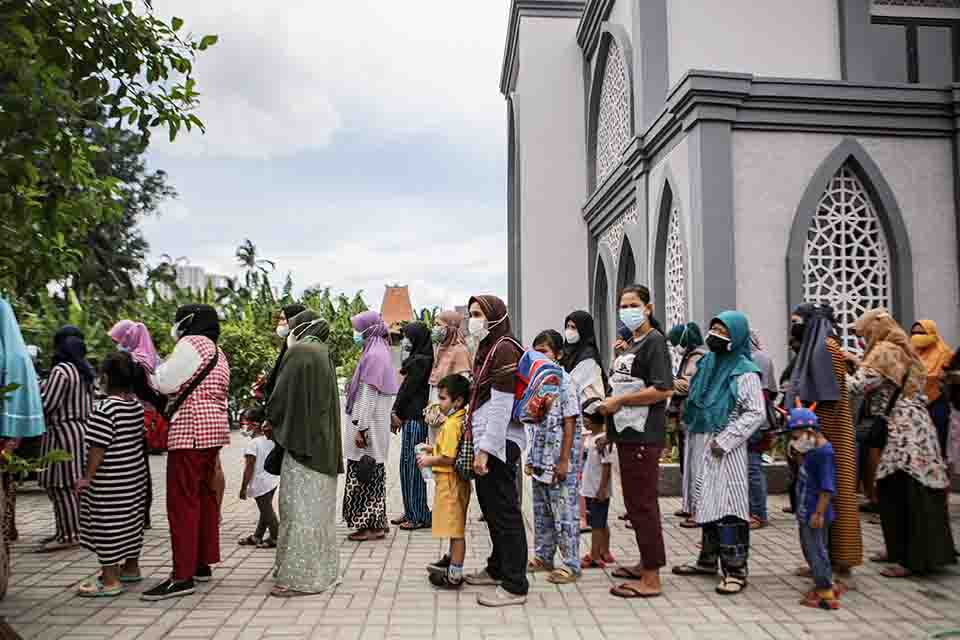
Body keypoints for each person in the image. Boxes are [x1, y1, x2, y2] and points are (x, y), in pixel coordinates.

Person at [847, 309, 955, 578]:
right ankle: (899, 550)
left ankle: (911, 559)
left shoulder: (884, 350)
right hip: (915, 427)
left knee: (906, 492)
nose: (863, 340)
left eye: (864, 334)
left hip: (905, 433)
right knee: (896, 489)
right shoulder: (897, 349)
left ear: (875, 330)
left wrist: (833, 371)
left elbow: (859, 385)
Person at [672, 311, 764, 596]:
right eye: (714, 329)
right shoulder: (707, 363)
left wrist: (725, 440)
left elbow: (756, 412)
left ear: (736, 336)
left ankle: (736, 570)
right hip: (701, 437)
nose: (716, 335)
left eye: (723, 331)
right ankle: (708, 560)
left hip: (726, 446)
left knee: (728, 506)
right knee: (706, 502)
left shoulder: (744, 371)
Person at [143, 304, 230, 601]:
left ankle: (181, 577)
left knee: (182, 503)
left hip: (190, 431)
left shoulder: (191, 343)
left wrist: (152, 373)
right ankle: (201, 563)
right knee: (203, 498)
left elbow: (165, 383)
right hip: (213, 430)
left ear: (189, 321)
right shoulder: (217, 351)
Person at [596, 285, 672, 599]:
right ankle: (645, 563)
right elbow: (625, 382)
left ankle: (651, 578)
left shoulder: (655, 341)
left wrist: (620, 402)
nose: (627, 310)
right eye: (623, 305)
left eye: (633, 304)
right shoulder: (632, 344)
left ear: (648, 308)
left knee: (643, 505)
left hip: (643, 435)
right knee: (634, 505)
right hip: (627, 434)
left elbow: (663, 389)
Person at [267, 310, 344, 597]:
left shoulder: (300, 351)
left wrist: (269, 419)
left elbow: (280, 398)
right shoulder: (321, 350)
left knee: (298, 511)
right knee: (317, 513)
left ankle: (298, 579)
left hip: (302, 447)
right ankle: (321, 572)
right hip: (322, 444)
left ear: (299, 327)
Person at [462, 295, 528, 607]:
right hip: (488, 441)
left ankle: (515, 584)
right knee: (491, 510)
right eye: (471, 313)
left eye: (478, 314)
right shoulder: (489, 347)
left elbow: (502, 406)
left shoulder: (504, 348)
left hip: (500, 444)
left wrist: (485, 451)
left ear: (495, 316)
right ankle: (498, 567)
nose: (473, 320)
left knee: (505, 513)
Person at [787, 303, 862, 577]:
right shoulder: (816, 348)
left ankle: (837, 563)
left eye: (797, 321)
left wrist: (812, 442)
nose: (794, 327)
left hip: (829, 437)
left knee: (834, 497)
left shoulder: (826, 349)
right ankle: (823, 561)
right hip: (818, 435)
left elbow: (828, 401)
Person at [75, 352, 147, 597]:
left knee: (107, 525)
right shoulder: (136, 406)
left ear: (105, 378)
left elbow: (98, 447)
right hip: (134, 477)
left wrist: (87, 478)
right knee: (131, 520)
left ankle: (109, 580)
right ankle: (131, 567)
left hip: (109, 480)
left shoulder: (105, 409)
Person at [520, 349, 582, 584]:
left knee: (564, 514)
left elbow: (570, 421)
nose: (541, 357)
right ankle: (543, 557)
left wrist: (564, 460)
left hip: (558, 461)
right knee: (542, 513)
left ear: (557, 354)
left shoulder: (565, 382)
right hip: (540, 461)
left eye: (545, 351)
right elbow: (533, 422)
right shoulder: (540, 382)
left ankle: (571, 564)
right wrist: (530, 459)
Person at [37, 326, 95, 553]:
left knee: (61, 487)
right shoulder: (84, 369)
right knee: (72, 485)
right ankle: (68, 530)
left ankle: (69, 535)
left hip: (62, 434)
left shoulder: (62, 371)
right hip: (81, 431)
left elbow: (47, 404)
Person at [343, 310, 399, 542]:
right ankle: (378, 522)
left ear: (369, 329)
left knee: (364, 476)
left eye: (358, 330)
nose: (356, 334)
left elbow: (368, 395)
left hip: (368, 429)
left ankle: (369, 526)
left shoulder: (374, 355)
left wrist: (362, 429)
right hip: (374, 426)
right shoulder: (380, 351)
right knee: (374, 474)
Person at [783, 406, 841, 610]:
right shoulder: (811, 451)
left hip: (814, 512)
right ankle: (826, 581)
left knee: (816, 551)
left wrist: (818, 513)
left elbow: (827, 488)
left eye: (796, 436)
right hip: (805, 509)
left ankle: (825, 593)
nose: (794, 440)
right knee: (812, 548)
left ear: (810, 431)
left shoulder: (824, 454)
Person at [0, 297, 45, 547]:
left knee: (6, 479)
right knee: (7, 479)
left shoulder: (11, 357)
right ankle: (8, 526)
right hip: (11, 430)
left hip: (6, 428)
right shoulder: (19, 356)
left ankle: (7, 526)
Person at [108, 320, 162, 529]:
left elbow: (142, 392)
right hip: (145, 417)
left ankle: (137, 514)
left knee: (133, 466)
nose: (118, 344)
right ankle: (142, 515)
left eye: (120, 340)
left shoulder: (134, 362)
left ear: (129, 337)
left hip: (134, 417)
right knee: (140, 466)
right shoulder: (151, 358)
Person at [420, 374, 471, 589]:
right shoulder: (458, 419)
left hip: (450, 483)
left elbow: (448, 458)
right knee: (453, 526)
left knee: (456, 530)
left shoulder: (451, 425)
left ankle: (454, 574)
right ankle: (451, 560)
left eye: (442, 398)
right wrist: (432, 448)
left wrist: (428, 459)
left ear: (457, 401)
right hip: (454, 483)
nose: (439, 403)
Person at [561, 311, 608, 534]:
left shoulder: (587, 357)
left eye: (574, 327)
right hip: (577, 420)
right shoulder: (571, 353)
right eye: (567, 326)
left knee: (584, 471)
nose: (569, 332)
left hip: (589, 423)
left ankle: (585, 516)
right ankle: (581, 514)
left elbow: (570, 384)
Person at [391, 322, 433, 531]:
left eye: (408, 336)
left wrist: (395, 412)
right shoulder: (416, 360)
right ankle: (411, 510)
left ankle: (418, 515)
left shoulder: (421, 362)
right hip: (410, 419)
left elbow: (407, 391)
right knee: (406, 466)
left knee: (413, 468)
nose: (405, 341)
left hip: (416, 420)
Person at [666, 322, 707, 525]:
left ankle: (698, 510)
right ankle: (689, 505)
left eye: (676, 342)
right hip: (687, 419)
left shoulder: (698, 358)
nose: (675, 347)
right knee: (686, 464)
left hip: (695, 419)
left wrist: (669, 383)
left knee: (695, 466)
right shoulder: (689, 357)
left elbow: (689, 385)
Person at [426, 310, 472, 443]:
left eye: (438, 325)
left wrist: (449, 416)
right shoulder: (440, 349)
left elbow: (463, 389)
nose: (435, 328)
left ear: (450, 328)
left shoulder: (460, 351)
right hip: (435, 417)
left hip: (449, 418)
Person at [748, 330, 778, 530]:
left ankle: (758, 513)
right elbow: (772, 391)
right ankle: (757, 512)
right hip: (762, 420)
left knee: (751, 468)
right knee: (753, 467)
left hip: (751, 421)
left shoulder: (749, 358)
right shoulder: (765, 357)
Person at [910, 320, 953, 457]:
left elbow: (942, 377)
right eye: (914, 333)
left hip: (937, 403)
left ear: (932, 334)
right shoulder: (911, 351)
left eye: (922, 333)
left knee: (937, 444)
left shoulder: (944, 353)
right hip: (914, 405)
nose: (917, 336)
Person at [237, 411, 279, 549]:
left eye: (245, 423)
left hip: (260, 483)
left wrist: (243, 488)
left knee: (267, 512)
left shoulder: (253, 444)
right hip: (272, 480)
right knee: (265, 511)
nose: (244, 427)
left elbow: (249, 467)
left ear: (254, 425)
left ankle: (276, 537)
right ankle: (257, 536)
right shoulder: (270, 440)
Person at [580, 409, 615, 569]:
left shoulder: (602, 441)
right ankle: (604, 551)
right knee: (600, 521)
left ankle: (594, 556)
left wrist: (602, 489)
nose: (584, 421)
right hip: (589, 488)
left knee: (596, 524)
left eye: (587, 419)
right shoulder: (590, 438)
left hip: (598, 490)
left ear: (597, 420)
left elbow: (607, 465)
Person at [261, 304, 306, 402]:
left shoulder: (301, 347)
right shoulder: (289, 343)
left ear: (294, 320)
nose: (279, 323)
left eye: (282, 319)